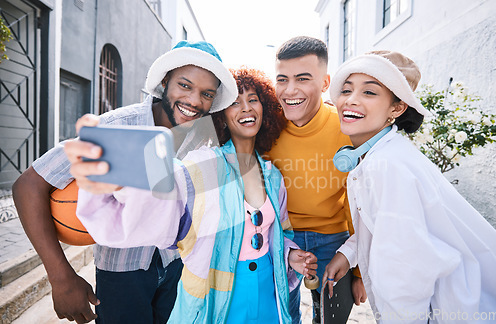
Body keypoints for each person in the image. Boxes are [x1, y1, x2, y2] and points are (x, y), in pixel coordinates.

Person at [12, 40, 238, 324]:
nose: (194, 101)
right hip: (122, 274)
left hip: (176, 268)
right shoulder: (118, 127)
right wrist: (61, 277)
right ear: (165, 81)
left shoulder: (199, 137)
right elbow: (28, 184)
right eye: (184, 85)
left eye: (206, 93)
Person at [71, 67, 318, 323]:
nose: (246, 108)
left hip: (269, 293)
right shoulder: (204, 165)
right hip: (218, 300)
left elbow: (281, 233)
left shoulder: (273, 176)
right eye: (235, 102)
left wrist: (291, 255)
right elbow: (167, 186)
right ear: (221, 116)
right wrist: (113, 163)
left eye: (252, 99)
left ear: (264, 109)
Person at [324, 50, 496, 322]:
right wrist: (348, 254)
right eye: (346, 90)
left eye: (369, 92)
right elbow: (384, 227)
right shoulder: (383, 155)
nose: (351, 100)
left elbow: (404, 273)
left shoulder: (387, 166)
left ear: (396, 108)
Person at [265, 36, 366, 323]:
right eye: (282, 79)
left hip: (334, 240)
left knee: (329, 319)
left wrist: (359, 271)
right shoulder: (266, 127)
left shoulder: (347, 128)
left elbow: (357, 202)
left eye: (302, 78)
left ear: (325, 83)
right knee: (283, 316)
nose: (290, 90)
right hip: (282, 239)